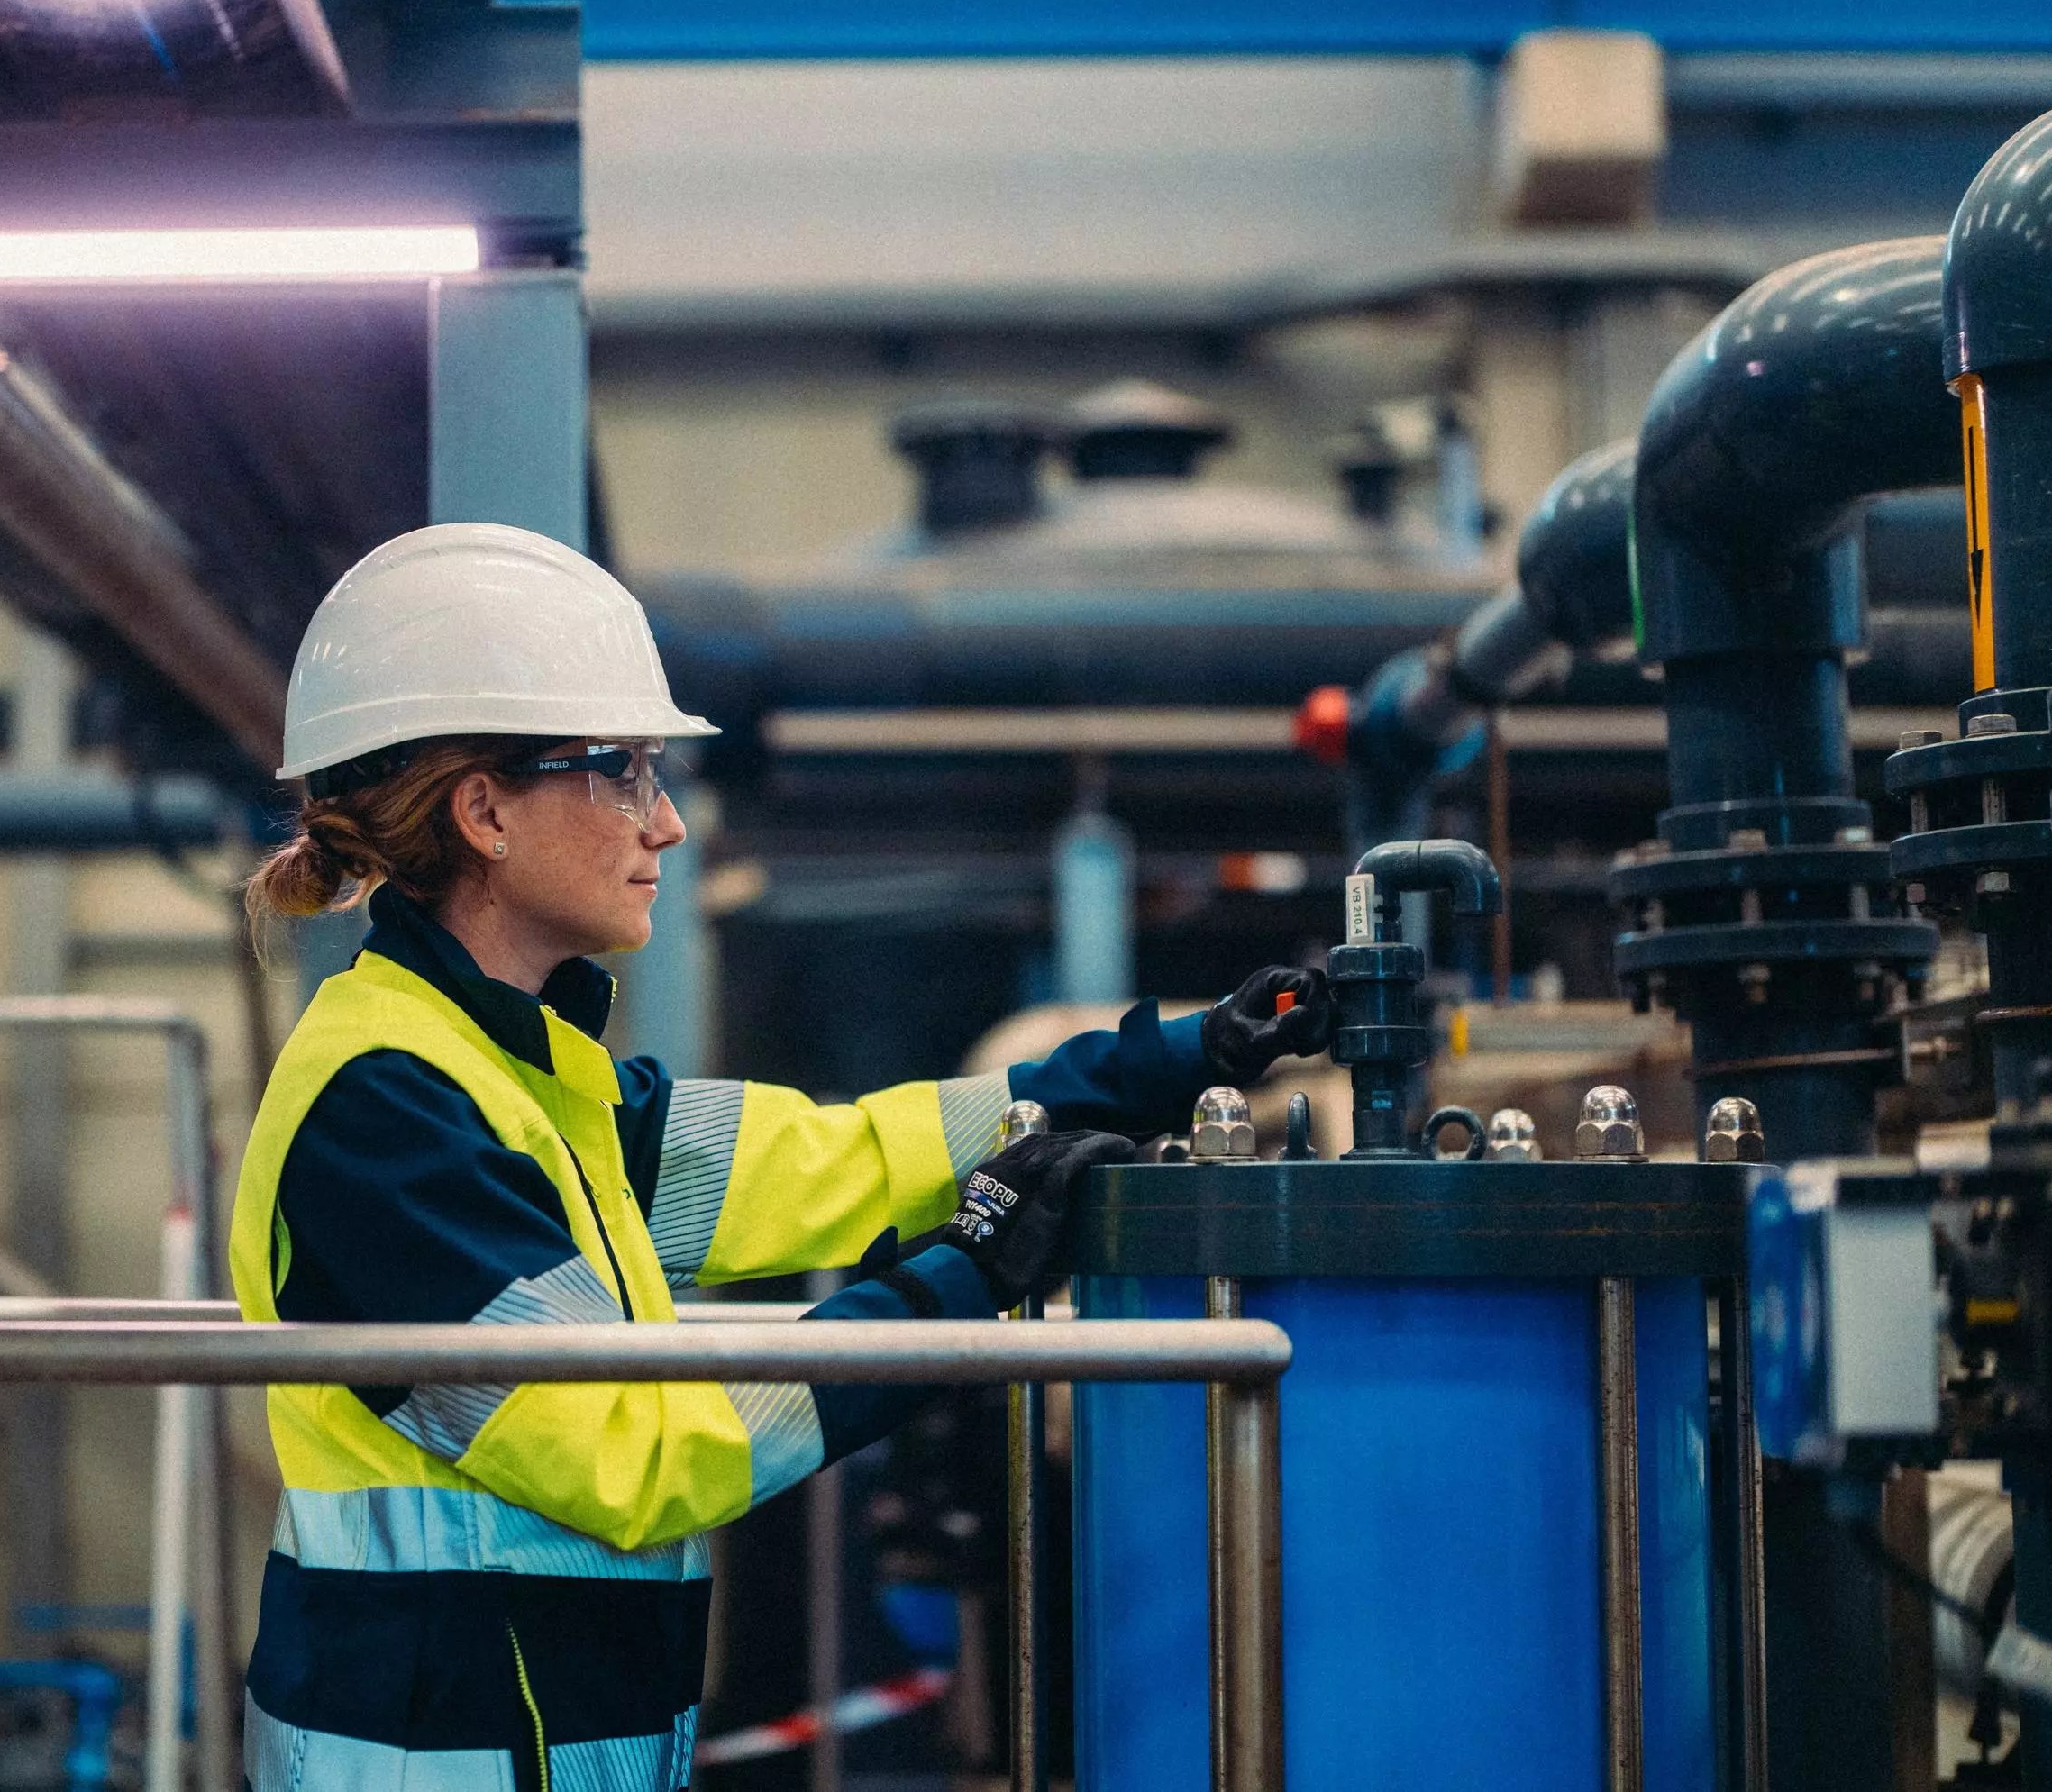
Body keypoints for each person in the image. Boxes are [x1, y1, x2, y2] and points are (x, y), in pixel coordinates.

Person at [230, 523, 1334, 1792]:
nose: (665, 824)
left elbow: (835, 1158)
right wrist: (961, 1285)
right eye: (621, 771)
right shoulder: (390, 1114)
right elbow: (642, 1455)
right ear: (484, 809)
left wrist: (1169, 1056)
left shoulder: (527, 1080)